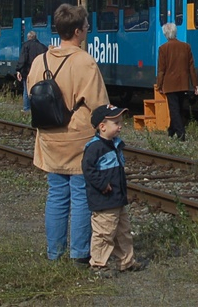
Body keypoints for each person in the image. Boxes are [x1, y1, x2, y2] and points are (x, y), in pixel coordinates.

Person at [26, 4, 109, 263]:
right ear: (77, 31)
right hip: (78, 140)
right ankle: (79, 253)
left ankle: (54, 253)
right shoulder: (85, 61)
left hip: (49, 137)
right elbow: (99, 105)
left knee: (57, 194)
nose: (87, 30)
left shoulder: (40, 60)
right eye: (85, 26)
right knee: (81, 194)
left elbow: (31, 93)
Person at [81, 104, 147, 275]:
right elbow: (88, 170)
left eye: (120, 122)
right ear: (102, 127)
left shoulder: (115, 145)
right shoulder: (95, 147)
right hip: (104, 199)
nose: (120, 126)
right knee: (104, 232)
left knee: (123, 232)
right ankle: (98, 264)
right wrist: (102, 184)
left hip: (117, 198)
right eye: (116, 123)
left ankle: (126, 261)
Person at [156, 22, 197, 141]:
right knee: (179, 108)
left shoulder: (163, 49)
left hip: (169, 85)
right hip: (183, 83)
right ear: (175, 32)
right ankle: (171, 130)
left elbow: (161, 70)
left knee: (174, 109)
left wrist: (159, 85)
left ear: (165, 34)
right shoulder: (186, 46)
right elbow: (191, 68)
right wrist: (194, 84)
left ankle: (181, 133)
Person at [16, 30, 47, 112]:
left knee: (26, 91)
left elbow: (22, 59)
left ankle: (26, 109)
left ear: (28, 37)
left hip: (28, 72)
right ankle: (38, 109)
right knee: (39, 91)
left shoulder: (26, 46)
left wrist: (19, 70)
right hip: (39, 72)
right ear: (35, 37)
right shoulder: (43, 47)